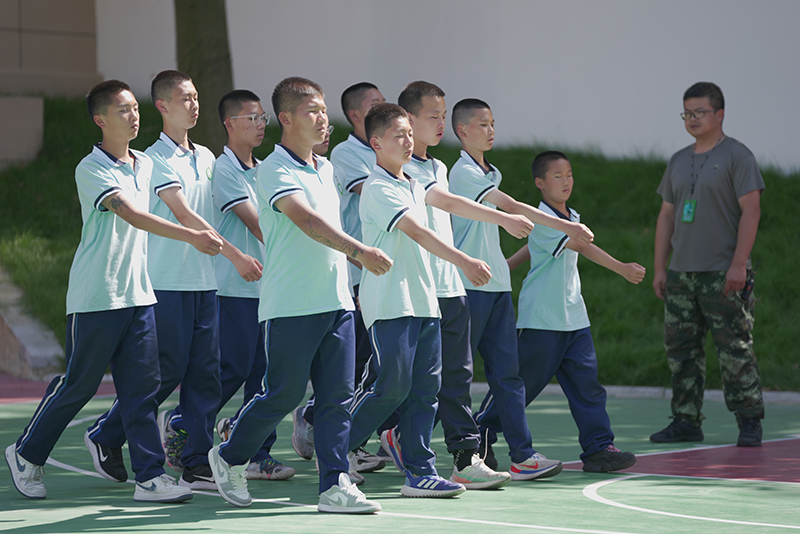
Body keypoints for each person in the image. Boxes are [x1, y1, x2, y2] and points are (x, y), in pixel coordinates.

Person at [5, 79, 223, 503]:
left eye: (135, 108)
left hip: (139, 296)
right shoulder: (92, 168)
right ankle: (26, 453)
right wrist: (191, 236)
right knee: (79, 385)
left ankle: (150, 477)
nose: (133, 115)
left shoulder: (146, 163)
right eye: (123, 110)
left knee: (143, 389)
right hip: (97, 296)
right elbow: (133, 215)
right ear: (100, 119)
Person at [207, 77, 391, 513]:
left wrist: (352, 279)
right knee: (283, 394)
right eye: (312, 111)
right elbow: (306, 220)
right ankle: (230, 455)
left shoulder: (325, 168)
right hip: (291, 304)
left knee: (336, 400)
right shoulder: (274, 169)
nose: (323, 118)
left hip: (337, 302)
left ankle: (335, 484)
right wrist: (359, 251)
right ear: (286, 118)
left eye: (324, 110)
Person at [84, 70, 263, 493]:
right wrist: (236, 255)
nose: (194, 105)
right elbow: (186, 215)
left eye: (196, 97)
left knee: (206, 376)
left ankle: (196, 463)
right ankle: (106, 433)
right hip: (166, 280)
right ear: (163, 106)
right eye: (185, 98)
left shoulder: (208, 157)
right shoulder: (154, 158)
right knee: (164, 373)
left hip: (205, 281)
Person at [384, 81, 536, 489]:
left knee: (456, 378)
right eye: (433, 116)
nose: (441, 123)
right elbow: (451, 204)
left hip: (450, 287)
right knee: (396, 385)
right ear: (408, 119)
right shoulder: (402, 171)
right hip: (416, 290)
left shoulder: (438, 166)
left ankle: (465, 459)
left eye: (442, 115)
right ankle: (343, 445)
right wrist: (503, 219)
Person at [348, 102, 492, 498]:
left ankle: (420, 472)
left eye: (410, 133)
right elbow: (418, 232)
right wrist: (464, 261)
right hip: (390, 303)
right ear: (376, 143)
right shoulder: (378, 187)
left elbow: (446, 211)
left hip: (425, 301)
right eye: (399, 135)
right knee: (391, 387)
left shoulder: (414, 184)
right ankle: (336, 447)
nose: (408, 141)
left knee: (425, 390)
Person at [449, 98, 593, 476]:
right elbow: (510, 205)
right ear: (462, 130)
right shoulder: (462, 173)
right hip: (468, 285)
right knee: (456, 375)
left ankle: (522, 456)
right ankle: (405, 436)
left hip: (496, 285)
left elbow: (508, 206)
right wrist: (566, 226)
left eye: (493, 123)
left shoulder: (489, 172)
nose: (491, 130)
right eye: (483, 124)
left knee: (508, 376)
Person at [483, 150, 643, 472]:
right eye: (557, 176)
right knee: (520, 386)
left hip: (574, 318)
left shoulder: (569, 216)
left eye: (569, 175)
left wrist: (509, 263)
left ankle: (599, 448)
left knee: (588, 388)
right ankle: (480, 433)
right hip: (542, 318)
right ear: (540, 183)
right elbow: (579, 245)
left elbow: (537, 245)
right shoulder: (543, 218)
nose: (566, 181)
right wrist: (621, 268)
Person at [650, 82, 765, 447]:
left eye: (700, 112)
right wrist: (661, 268)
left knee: (735, 349)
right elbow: (666, 216)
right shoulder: (678, 160)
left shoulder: (738, 156)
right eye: (687, 113)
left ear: (720, 114)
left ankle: (749, 420)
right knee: (681, 350)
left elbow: (751, 210)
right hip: (682, 273)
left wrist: (739, 264)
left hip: (723, 272)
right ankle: (686, 419)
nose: (692, 119)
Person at [291, 83, 389, 474]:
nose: (383, 106)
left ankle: (352, 439)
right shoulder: (347, 155)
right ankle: (317, 422)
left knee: (376, 364)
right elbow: (380, 193)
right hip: (357, 271)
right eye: (375, 103)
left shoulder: (384, 151)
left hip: (380, 269)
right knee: (358, 364)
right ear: (354, 115)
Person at [200, 89, 293, 481]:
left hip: (268, 288)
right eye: (251, 118)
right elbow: (257, 224)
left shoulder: (264, 169)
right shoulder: (225, 169)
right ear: (229, 124)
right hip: (235, 287)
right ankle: (185, 423)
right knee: (232, 369)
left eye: (262, 118)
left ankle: (258, 453)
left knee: (264, 375)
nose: (259, 125)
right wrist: (299, 253)